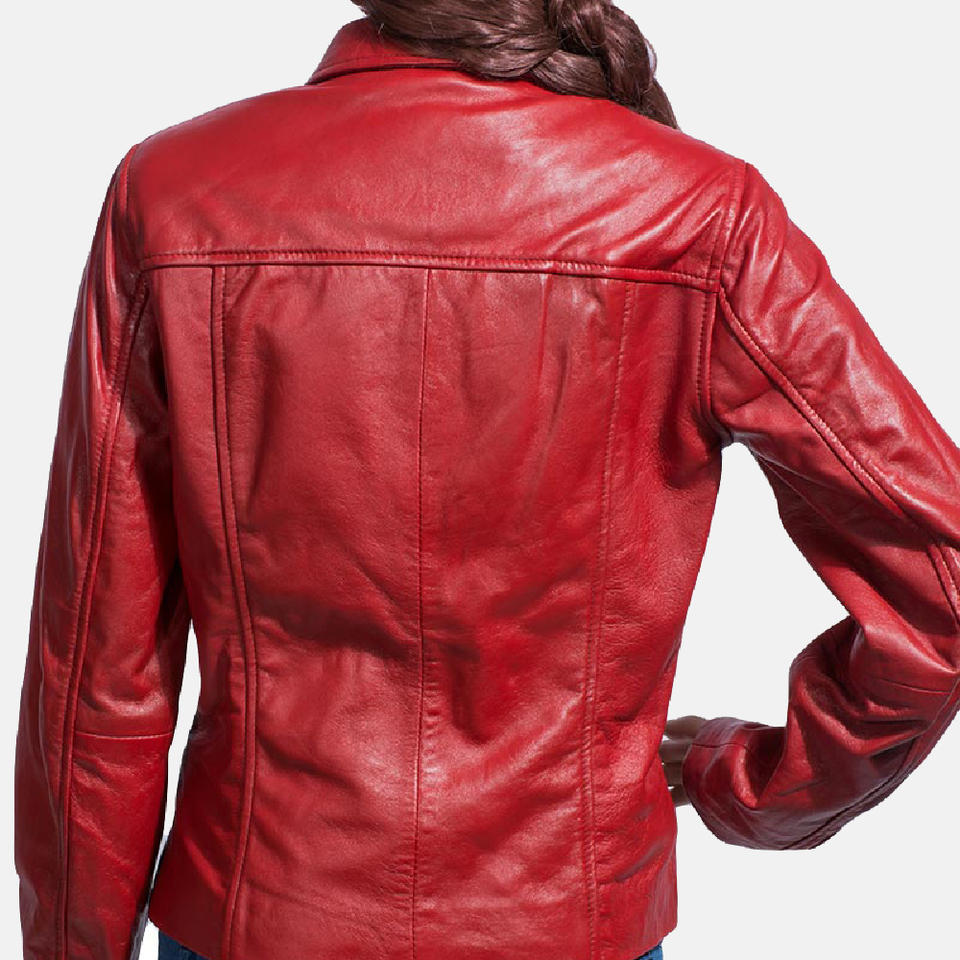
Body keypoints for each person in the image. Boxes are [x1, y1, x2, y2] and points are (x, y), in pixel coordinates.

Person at [14, 3, 960, 960]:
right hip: (568, 922)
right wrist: (751, 787)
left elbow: (96, 657)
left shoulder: (177, 194)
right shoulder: (696, 213)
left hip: (255, 915)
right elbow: (943, 584)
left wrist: (73, 943)